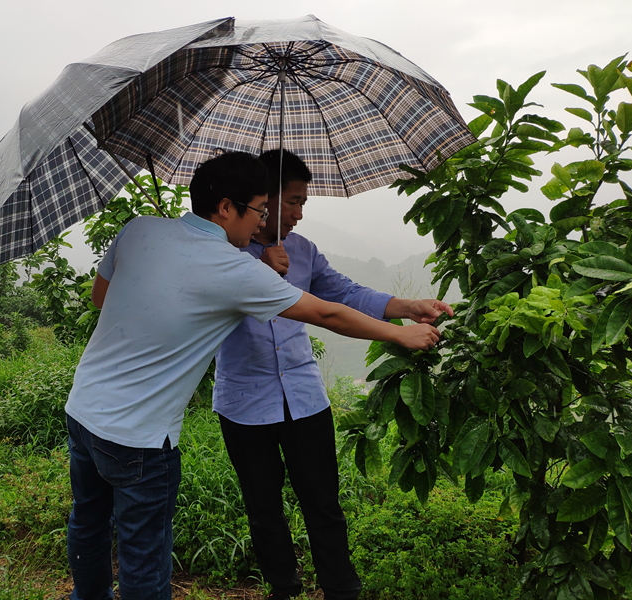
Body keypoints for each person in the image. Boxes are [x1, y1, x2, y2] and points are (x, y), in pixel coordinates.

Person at [63, 151, 444, 600]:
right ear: (227, 207)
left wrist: (172, 277)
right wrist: (400, 337)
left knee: (88, 521)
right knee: (146, 550)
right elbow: (325, 313)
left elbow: (102, 297)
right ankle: (283, 587)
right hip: (154, 431)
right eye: (264, 208)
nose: (269, 219)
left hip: (85, 409)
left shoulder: (141, 228)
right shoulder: (235, 265)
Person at [213, 149, 453, 600]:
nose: (299, 214)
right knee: (263, 508)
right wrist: (255, 270)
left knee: (322, 502)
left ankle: (340, 588)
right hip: (243, 402)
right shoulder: (223, 254)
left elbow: (344, 292)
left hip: (303, 396)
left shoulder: (301, 251)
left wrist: (409, 307)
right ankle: (283, 588)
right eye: (291, 202)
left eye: (304, 203)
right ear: (260, 200)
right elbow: (322, 314)